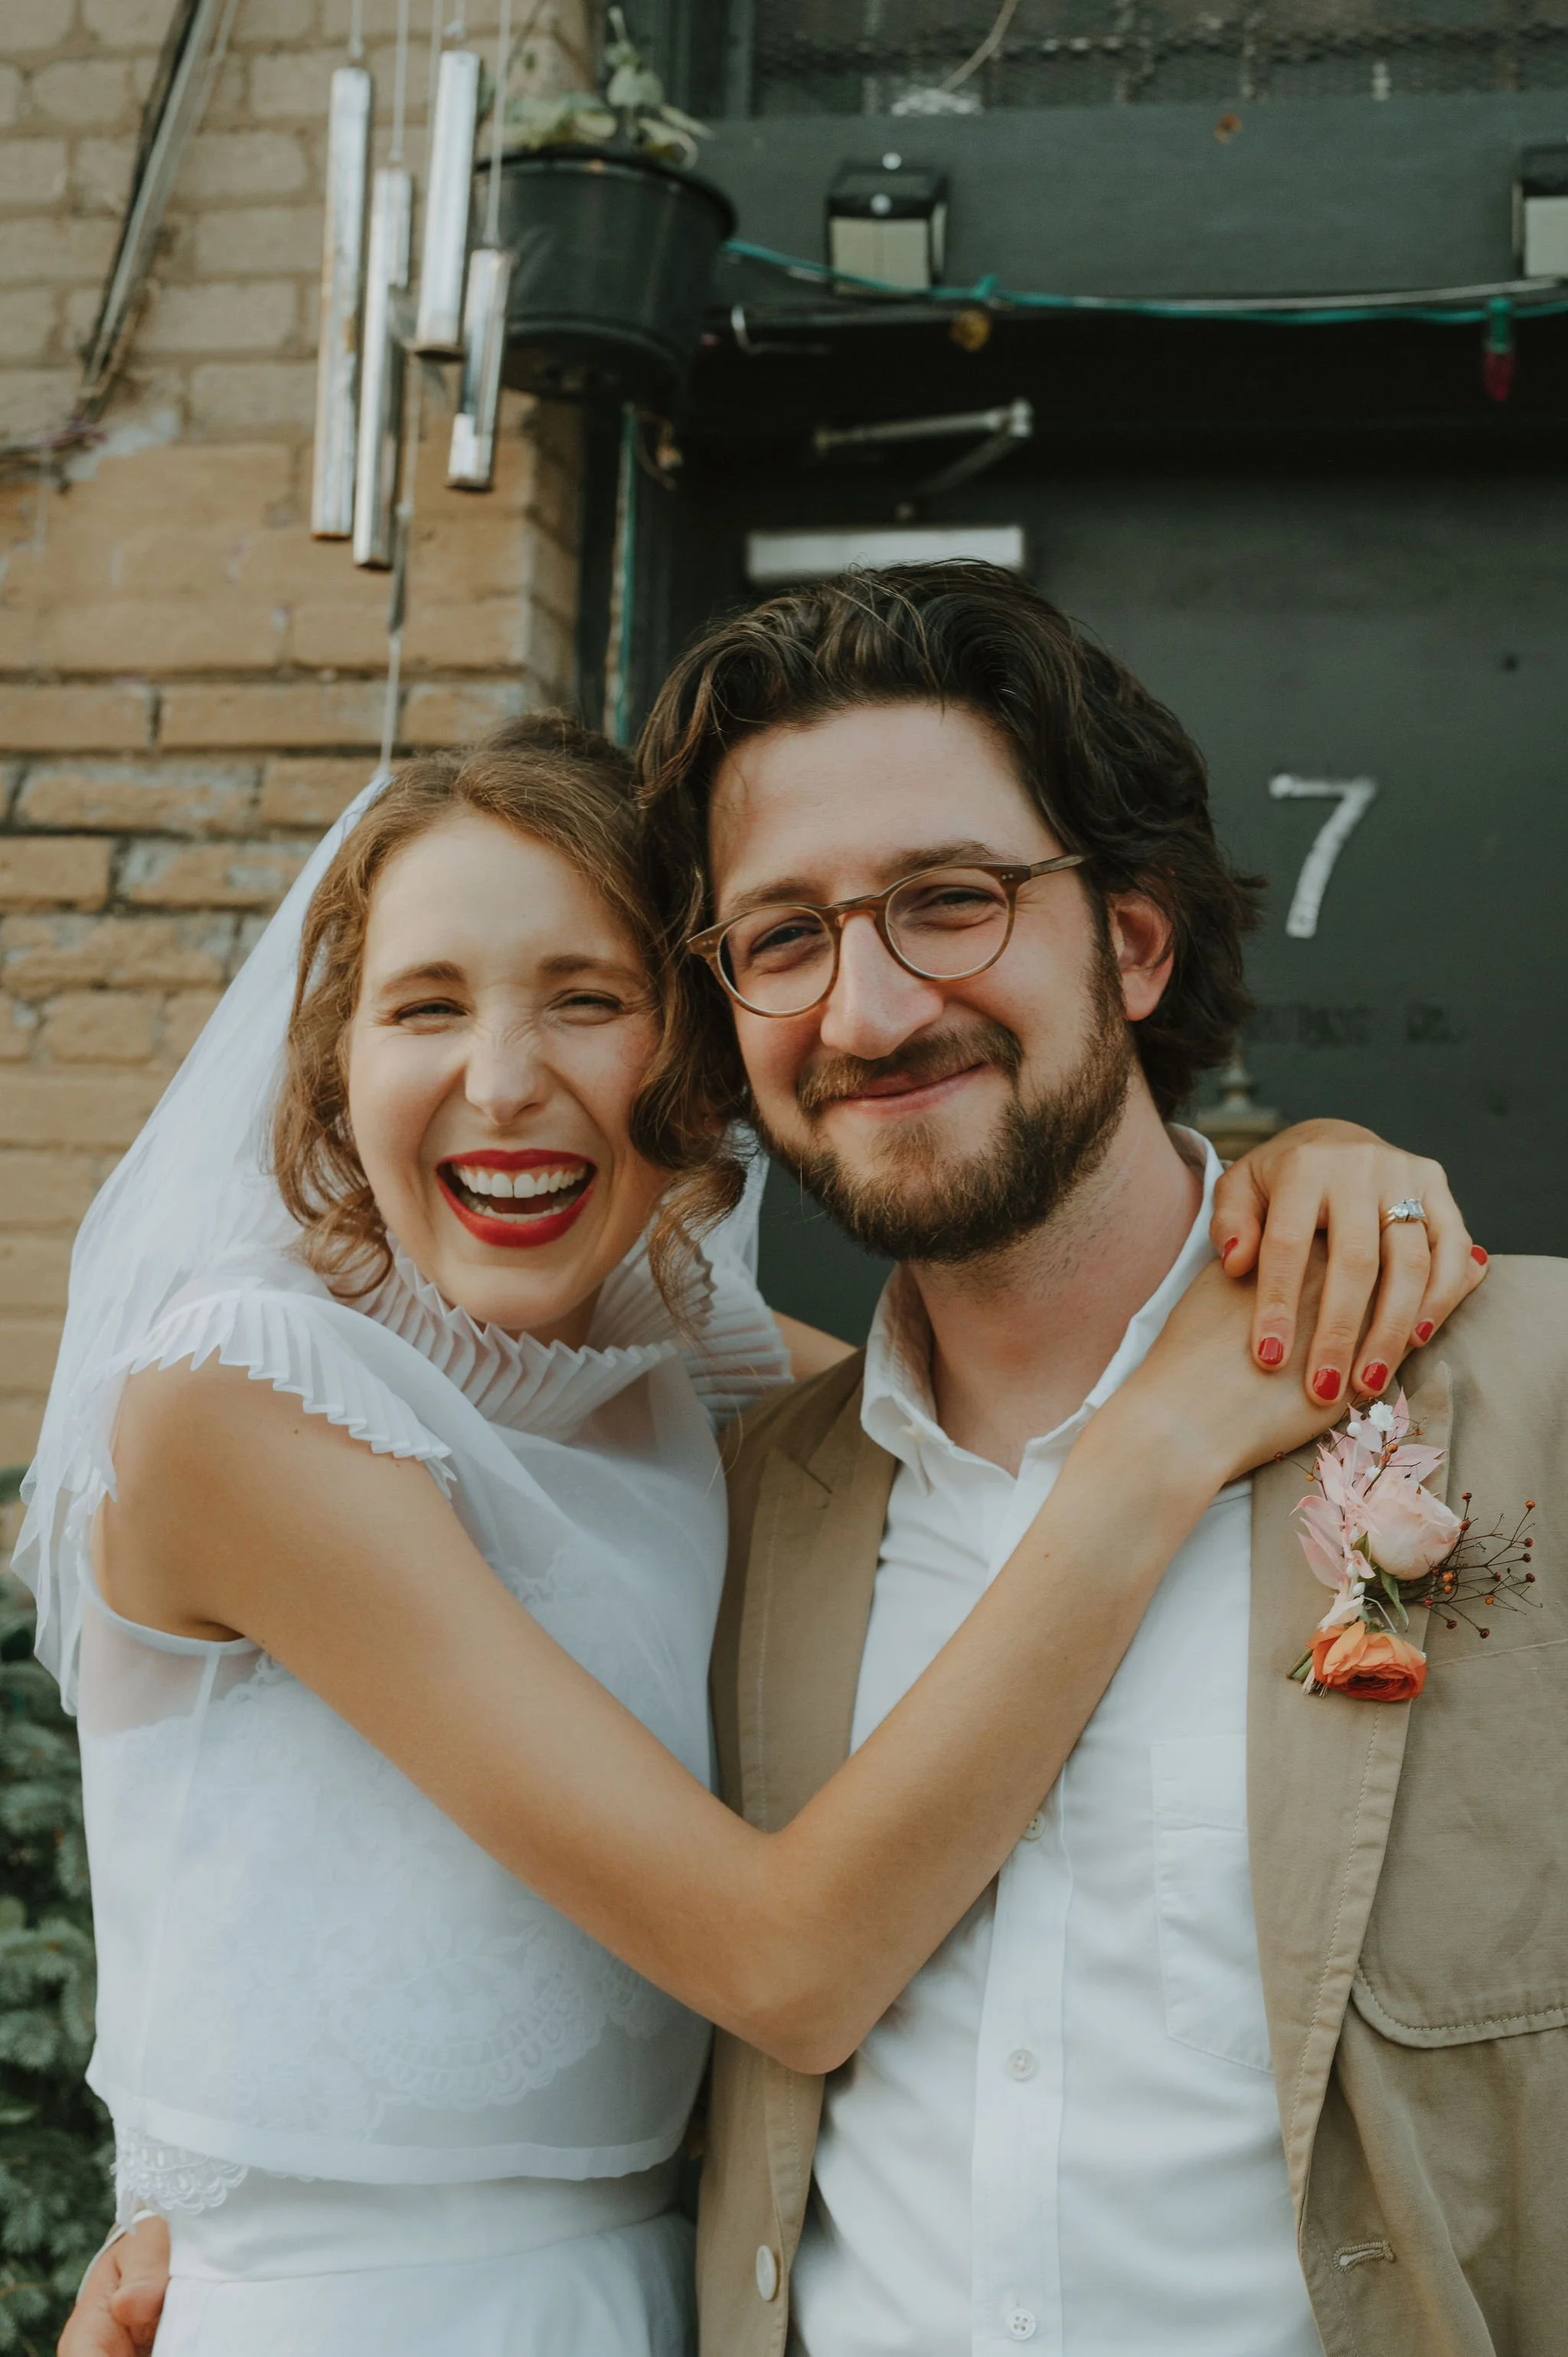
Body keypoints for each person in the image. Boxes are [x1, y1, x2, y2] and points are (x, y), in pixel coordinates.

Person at [59, 662, 1480, 2354]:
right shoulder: (240, 1401)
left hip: (654, 2296)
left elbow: (1008, 1368)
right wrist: (1153, 1455)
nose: (502, 1079)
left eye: (585, 998)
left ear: (701, 1062)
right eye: (423, 1007)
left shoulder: (699, 1378)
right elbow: (785, 1967)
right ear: (333, 1063)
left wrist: (1312, 1160)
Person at [622, 562, 1566, 2357]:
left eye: (949, 903)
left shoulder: (1524, 1391)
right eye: (783, 938)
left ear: (1133, 941)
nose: (870, 1012)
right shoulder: (736, 1511)